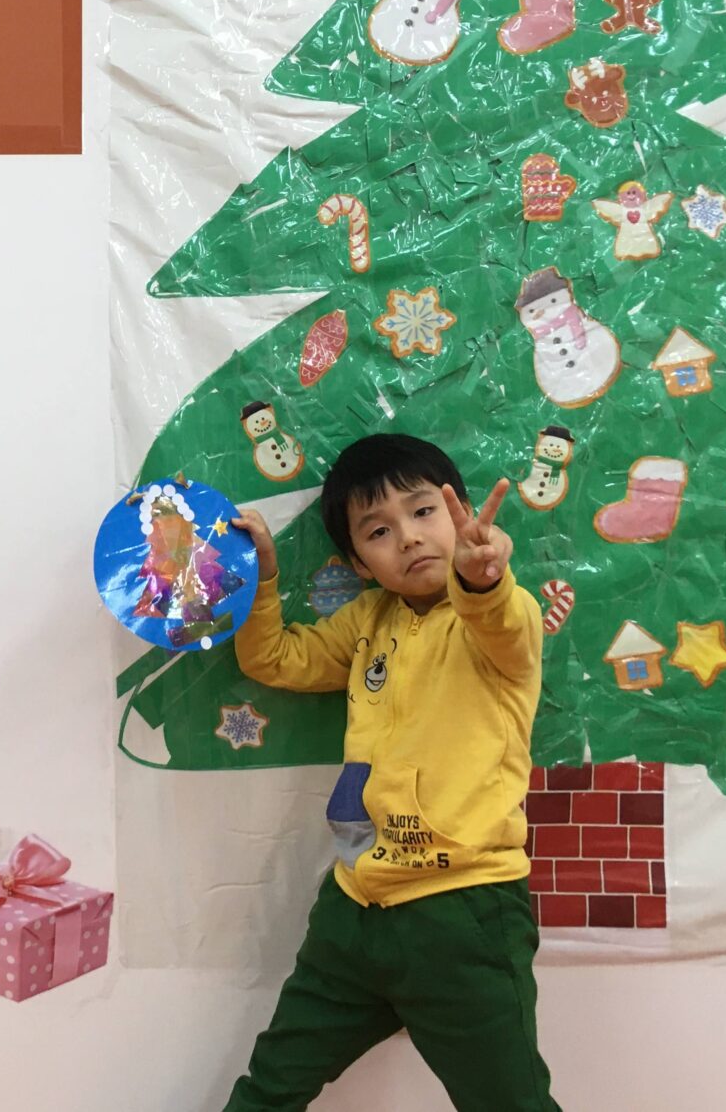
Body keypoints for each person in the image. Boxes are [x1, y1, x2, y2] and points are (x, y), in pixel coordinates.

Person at [222, 433, 557, 1112]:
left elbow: (501, 618)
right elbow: (275, 659)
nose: (408, 537)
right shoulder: (366, 620)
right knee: (269, 1089)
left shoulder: (499, 620)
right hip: (353, 910)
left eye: (424, 511)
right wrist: (261, 578)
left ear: (460, 514)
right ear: (359, 563)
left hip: (463, 913)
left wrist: (483, 577)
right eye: (379, 531)